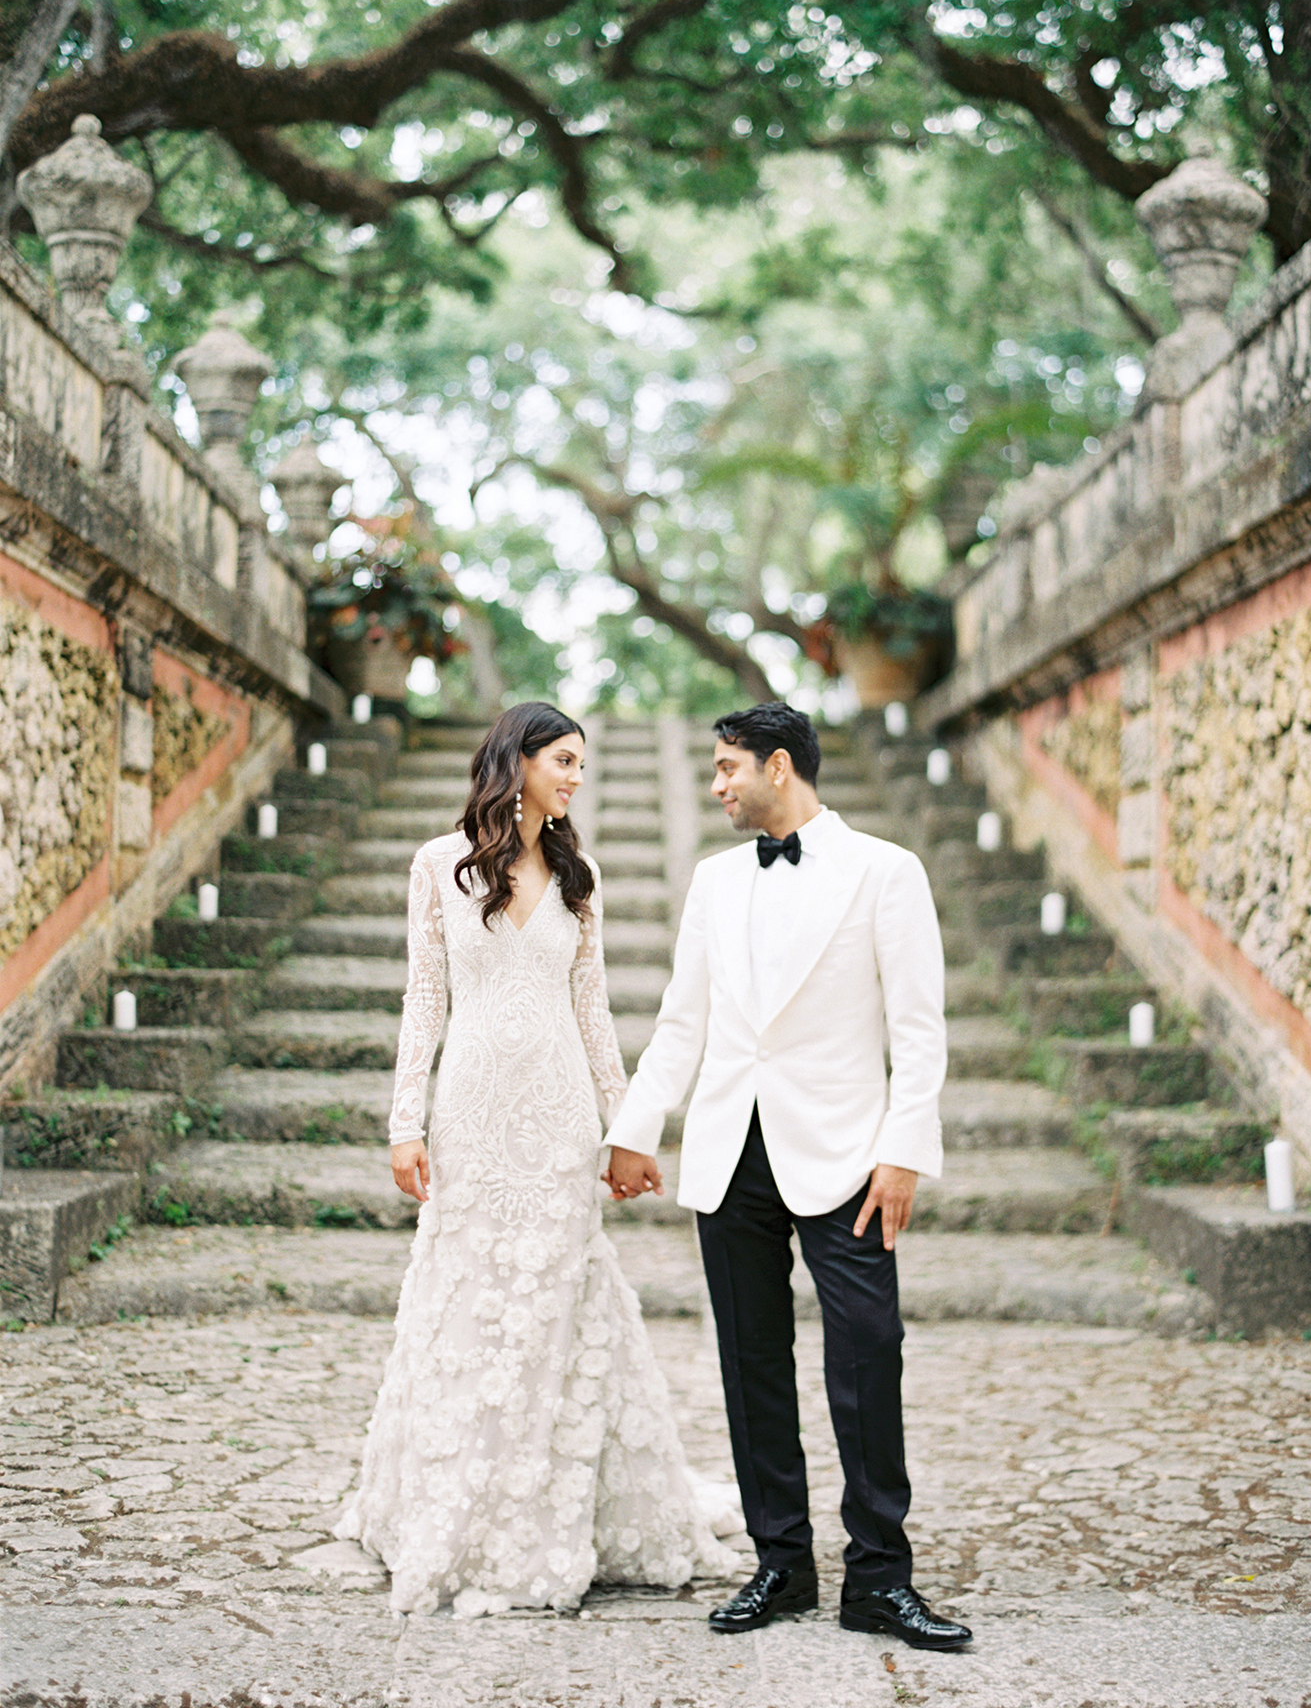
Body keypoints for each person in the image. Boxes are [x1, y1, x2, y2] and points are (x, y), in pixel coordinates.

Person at [334, 702, 732, 1617]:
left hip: (556, 1123)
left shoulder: (578, 877)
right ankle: (451, 1501)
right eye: (563, 759)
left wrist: (627, 1126)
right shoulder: (439, 866)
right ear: (514, 761)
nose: (575, 778)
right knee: (468, 1298)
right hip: (470, 1114)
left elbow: (593, 1016)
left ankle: (548, 1510)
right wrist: (405, 1122)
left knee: (555, 1304)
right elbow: (422, 1003)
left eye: (582, 766)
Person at [603, 702, 972, 1652]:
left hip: (849, 1154)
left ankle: (880, 1580)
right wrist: (636, 1129)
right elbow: (684, 1020)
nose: (716, 785)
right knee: (750, 1363)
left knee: (867, 1353)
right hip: (732, 1154)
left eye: (728, 768)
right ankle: (782, 1563)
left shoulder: (887, 872)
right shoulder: (716, 881)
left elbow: (918, 1029)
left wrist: (904, 1150)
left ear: (779, 766)